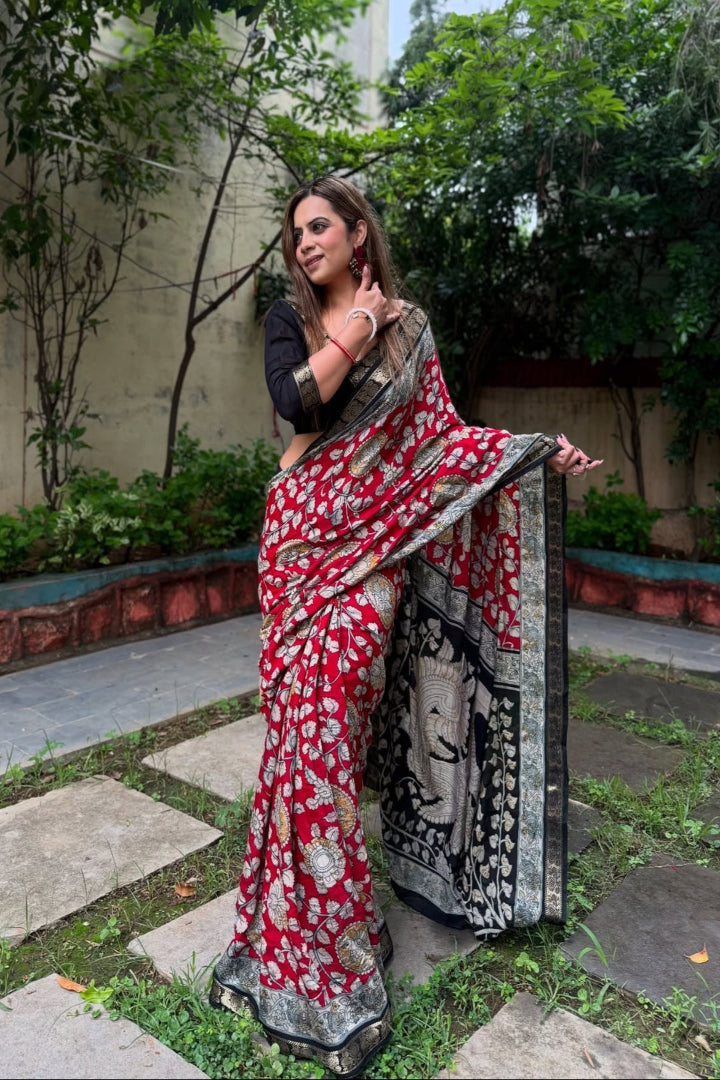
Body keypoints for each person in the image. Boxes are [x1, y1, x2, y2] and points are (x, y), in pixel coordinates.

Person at [210, 176, 602, 1077]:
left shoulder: (413, 333)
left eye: (319, 228)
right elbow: (296, 403)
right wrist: (351, 330)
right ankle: (316, 942)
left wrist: (532, 452)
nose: (304, 243)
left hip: (370, 563)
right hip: (299, 545)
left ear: (358, 234)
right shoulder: (292, 319)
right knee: (296, 747)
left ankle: (334, 937)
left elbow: (445, 442)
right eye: (295, 233)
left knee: (328, 736)